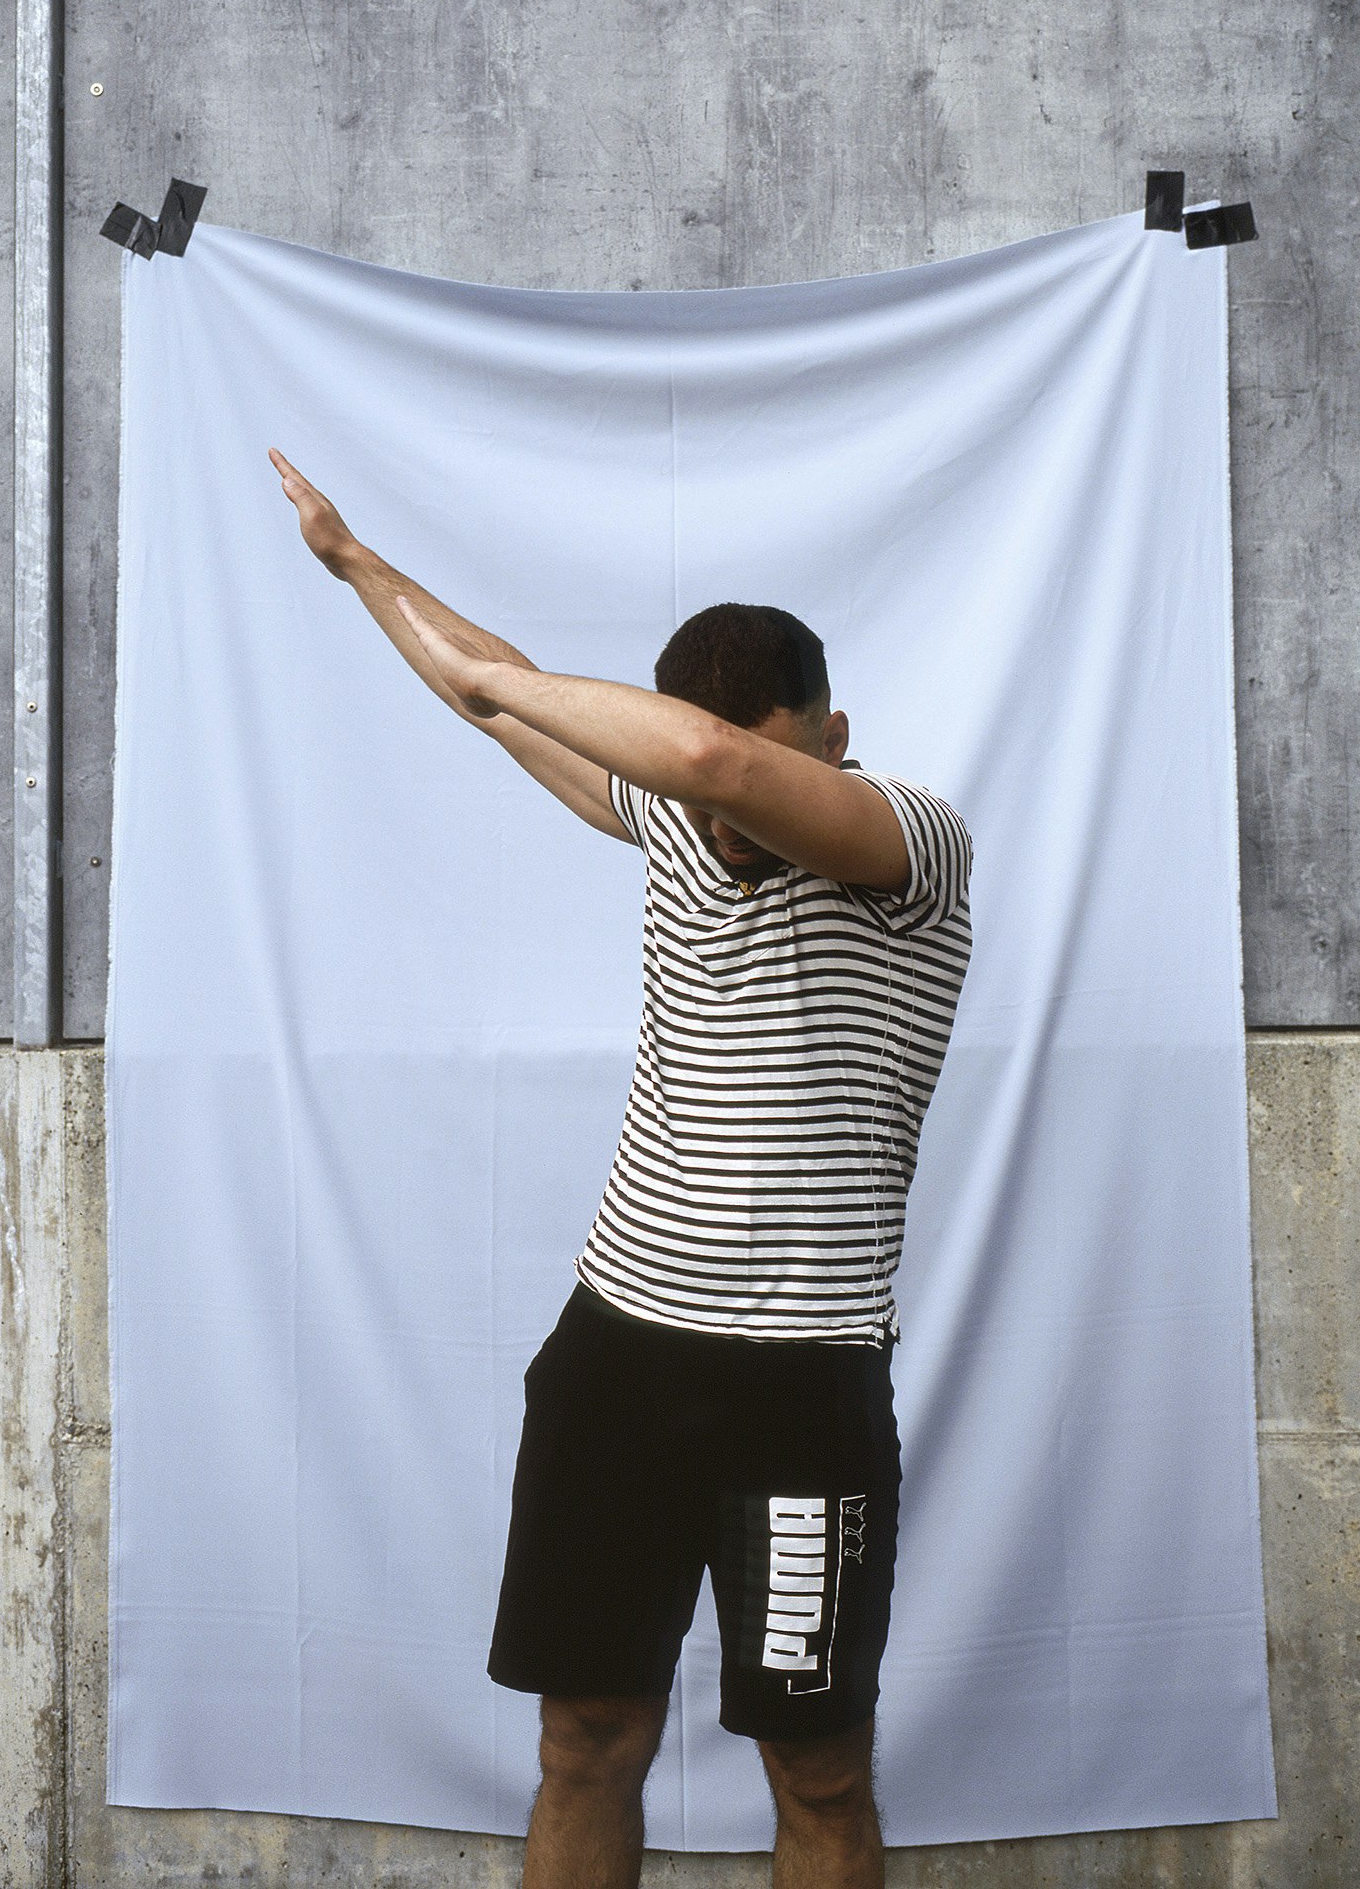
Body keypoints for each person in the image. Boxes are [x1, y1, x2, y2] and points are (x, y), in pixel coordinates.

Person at [270, 447, 974, 1889]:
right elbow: (520, 699)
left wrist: (502, 688)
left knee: (820, 1774)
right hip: (620, 1363)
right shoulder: (673, 813)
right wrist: (358, 568)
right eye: (695, 791)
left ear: (835, 733)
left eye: (767, 772)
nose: (726, 821)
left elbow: (708, 761)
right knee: (584, 1741)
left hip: (800, 1387)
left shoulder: (909, 844)